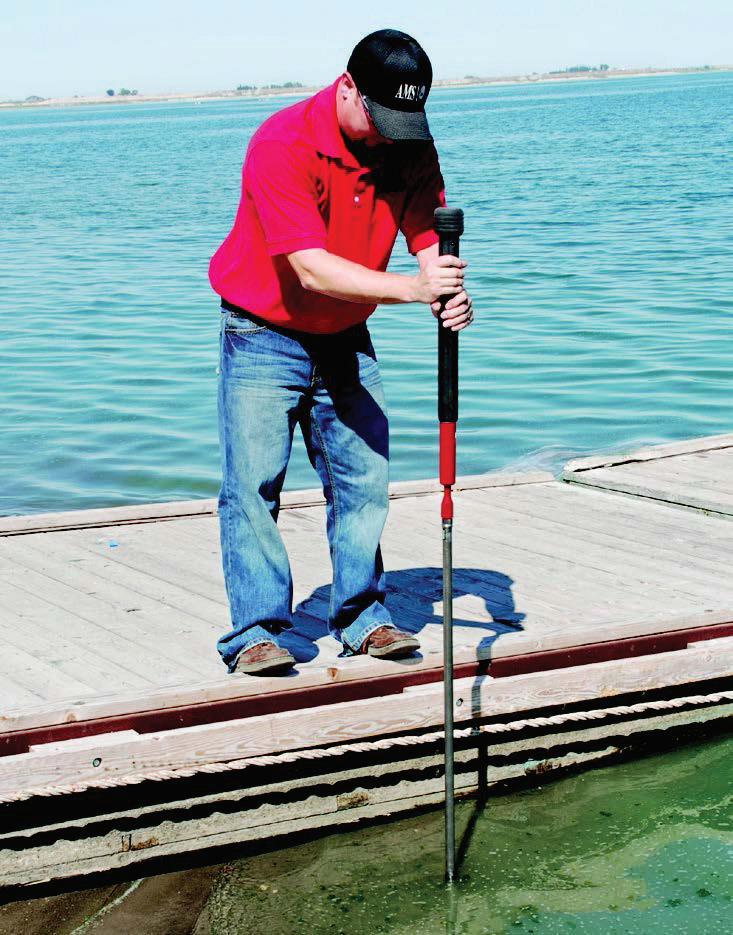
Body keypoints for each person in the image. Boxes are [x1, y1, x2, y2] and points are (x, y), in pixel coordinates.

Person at [209, 28, 474, 675]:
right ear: (348, 87)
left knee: (364, 480)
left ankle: (362, 617)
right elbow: (309, 268)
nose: (389, 134)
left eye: (402, 122)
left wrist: (443, 289)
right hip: (262, 332)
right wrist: (412, 290)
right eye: (379, 118)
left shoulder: (406, 139)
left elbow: (425, 229)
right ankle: (255, 632)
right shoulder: (282, 143)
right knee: (253, 486)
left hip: (346, 334)